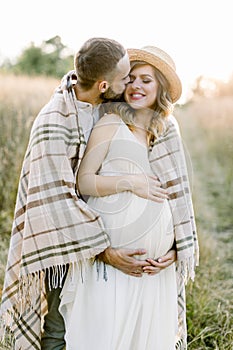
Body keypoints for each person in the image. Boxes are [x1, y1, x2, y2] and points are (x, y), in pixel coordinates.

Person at [0, 38, 176, 350]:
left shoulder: (107, 109)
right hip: (59, 236)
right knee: (58, 325)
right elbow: (57, 200)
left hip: (104, 243)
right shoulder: (55, 121)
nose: (128, 85)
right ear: (104, 84)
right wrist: (105, 251)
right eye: (125, 78)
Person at [59, 46, 199, 350]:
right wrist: (130, 182)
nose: (137, 86)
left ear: (160, 86)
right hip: (110, 260)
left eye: (146, 80)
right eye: (132, 78)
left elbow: (179, 198)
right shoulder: (111, 122)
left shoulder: (165, 131)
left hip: (154, 271)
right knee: (105, 336)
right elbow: (84, 181)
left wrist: (174, 251)